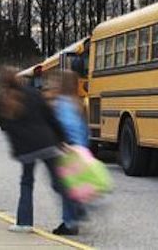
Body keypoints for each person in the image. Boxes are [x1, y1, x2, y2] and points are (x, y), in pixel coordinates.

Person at [0, 67, 78, 233]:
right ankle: (72, 220)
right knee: (59, 184)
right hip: (47, 144)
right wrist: (63, 140)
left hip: (27, 151)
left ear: (4, 84)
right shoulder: (34, 94)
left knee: (27, 182)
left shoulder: (3, 103)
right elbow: (51, 117)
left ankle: (24, 222)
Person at [51, 70, 89, 235]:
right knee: (70, 185)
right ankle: (78, 208)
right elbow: (84, 129)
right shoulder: (76, 102)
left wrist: (64, 144)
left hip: (69, 149)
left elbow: (66, 126)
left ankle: (70, 223)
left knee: (63, 186)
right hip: (80, 148)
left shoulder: (62, 103)